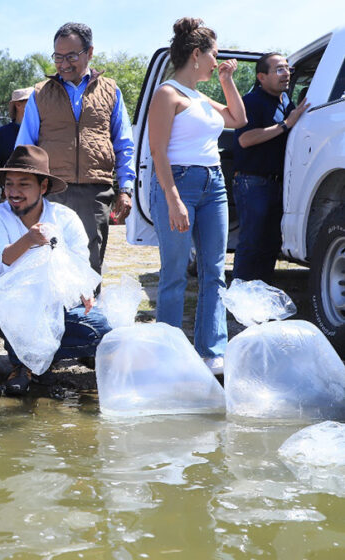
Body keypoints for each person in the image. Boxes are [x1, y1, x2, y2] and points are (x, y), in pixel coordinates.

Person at [147, 17, 247, 374]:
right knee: (174, 272)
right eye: (214, 56)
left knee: (214, 271)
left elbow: (238, 118)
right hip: (179, 183)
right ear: (196, 55)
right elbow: (158, 150)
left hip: (214, 185)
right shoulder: (167, 93)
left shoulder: (202, 96)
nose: (216, 60)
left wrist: (227, 80)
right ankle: (169, 354)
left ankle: (211, 351)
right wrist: (172, 198)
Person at [0, 145, 111, 396]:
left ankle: (43, 357)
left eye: (24, 184)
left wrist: (84, 290)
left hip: (57, 305)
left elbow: (80, 264)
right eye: (9, 185)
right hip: (10, 307)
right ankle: (22, 364)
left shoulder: (66, 217)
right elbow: (0, 261)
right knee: (15, 308)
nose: (14, 192)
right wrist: (29, 240)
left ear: (43, 187)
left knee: (101, 329)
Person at [16, 22, 135, 275]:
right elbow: (25, 149)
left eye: (71, 56)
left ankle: (85, 315)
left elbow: (124, 144)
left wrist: (125, 188)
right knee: (47, 262)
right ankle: (52, 316)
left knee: (89, 264)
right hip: (50, 193)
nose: (64, 64)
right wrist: (23, 189)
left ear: (89, 53)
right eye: (58, 57)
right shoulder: (40, 94)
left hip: (95, 193)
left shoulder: (111, 91)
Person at [232, 53, 309, 282]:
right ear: (261, 77)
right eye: (279, 69)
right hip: (253, 182)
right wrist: (286, 124)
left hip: (278, 184)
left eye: (287, 69)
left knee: (270, 244)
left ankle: (261, 299)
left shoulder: (286, 101)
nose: (285, 73)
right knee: (251, 243)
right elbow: (245, 139)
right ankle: (240, 299)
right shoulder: (252, 102)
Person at [0, 87, 32, 204]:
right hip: (10, 196)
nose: (37, 105)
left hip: (38, 196)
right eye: (31, 101)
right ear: (18, 105)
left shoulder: (41, 131)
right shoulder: (3, 133)